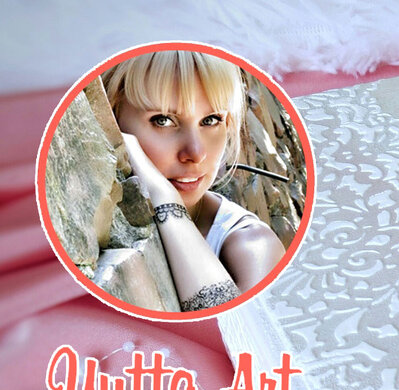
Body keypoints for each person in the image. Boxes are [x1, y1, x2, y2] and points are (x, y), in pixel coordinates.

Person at [101, 50, 285, 312]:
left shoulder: (252, 243)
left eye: (211, 120)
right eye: (163, 120)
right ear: (112, 117)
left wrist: (164, 198)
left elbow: (240, 331)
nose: (196, 153)